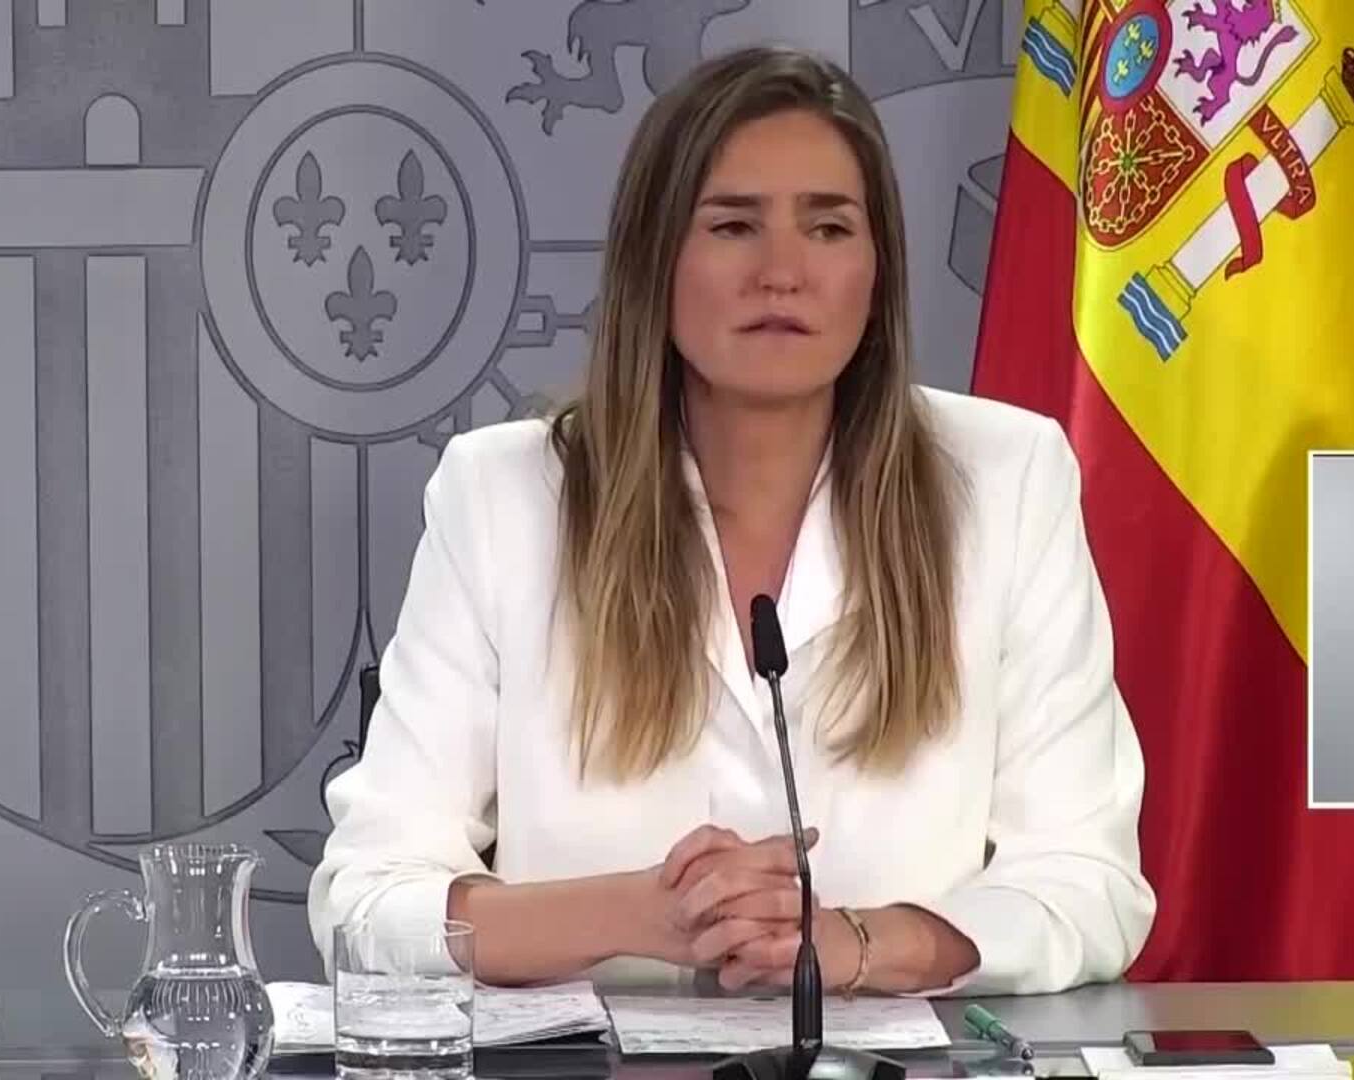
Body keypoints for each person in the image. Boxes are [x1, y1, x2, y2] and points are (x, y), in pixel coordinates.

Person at [308, 45, 1155, 997]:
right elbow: (367, 901)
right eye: (733, 226)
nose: (782, 272)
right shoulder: (503, 495)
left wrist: (859, 945)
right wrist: (642, 914)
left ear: (876, 273)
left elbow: (1089, 885)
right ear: (655, 262)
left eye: (828, 228)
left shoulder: (1004, 479)